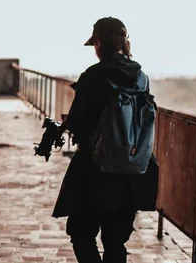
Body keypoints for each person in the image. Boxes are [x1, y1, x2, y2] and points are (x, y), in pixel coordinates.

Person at [53, 17, 159, 263]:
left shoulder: (93, 76)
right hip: (133, 170)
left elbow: (79, 125)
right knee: (115, 241)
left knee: (81, 233)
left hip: (95, 170)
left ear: (99, 42)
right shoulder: (141, 77)